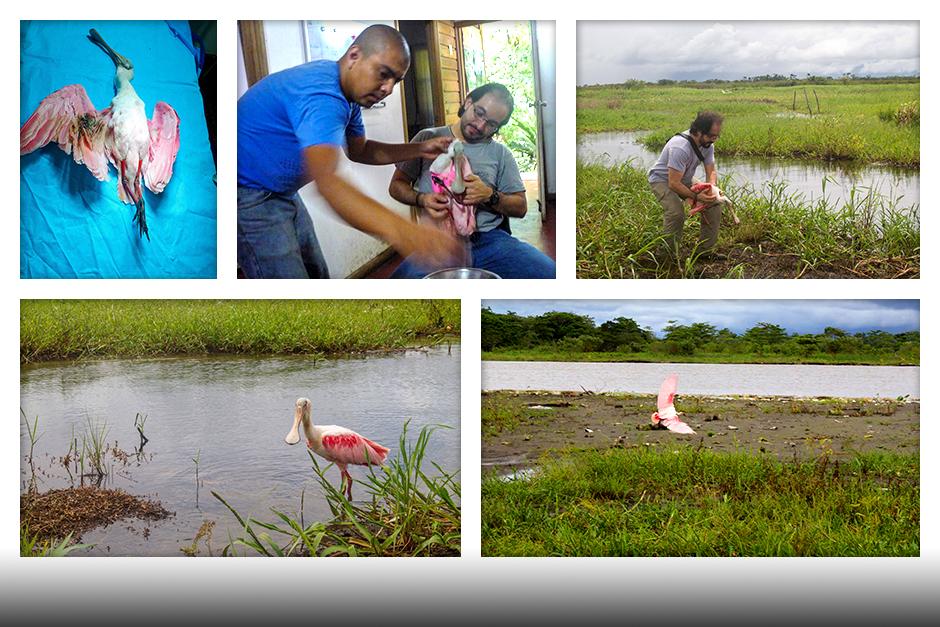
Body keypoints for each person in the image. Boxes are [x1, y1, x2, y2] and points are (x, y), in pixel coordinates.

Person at [237, 24, 462, 278]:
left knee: (316, 274)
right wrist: (408, 233)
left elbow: (361, 150)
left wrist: (420, 149)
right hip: (249, 194)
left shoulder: (348, 98)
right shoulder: (323, 94)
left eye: (395, 80)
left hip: (282, 192)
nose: (388, 88)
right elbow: (329, 183)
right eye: (383, 74)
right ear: (354, 56)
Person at [388, 83, 556, 279]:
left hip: (489, 241)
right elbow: (396, 186)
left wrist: (490, 196)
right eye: (479, 112)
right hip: (437, 242)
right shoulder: (428, 138)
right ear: (468, 102)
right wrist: (422, 199)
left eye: (492, 124)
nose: (480, 125)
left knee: (550, 274)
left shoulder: (500, 154)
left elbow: (520, 208)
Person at [647, 111, 724, 260]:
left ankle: (704, 252)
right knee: (676, 213)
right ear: (699, 131)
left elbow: (711, 171)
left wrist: (711, 188)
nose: (713, 140)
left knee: (714, 204)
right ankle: (665, 256)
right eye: (710, 135)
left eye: (716, 136)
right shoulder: (680, 147)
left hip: (684, 178)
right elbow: (674, 183)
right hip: (662, 180)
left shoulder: (708, 144)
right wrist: (695, 196)